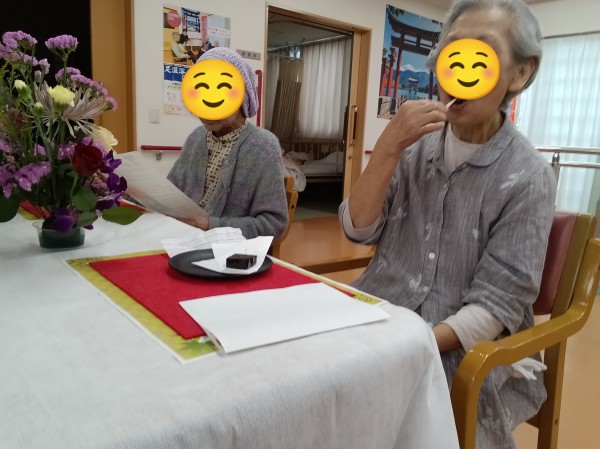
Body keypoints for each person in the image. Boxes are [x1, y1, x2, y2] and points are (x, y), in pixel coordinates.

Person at [339, 1, 555, 448]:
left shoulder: (528, 175)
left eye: (481, 56)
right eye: (452, 55)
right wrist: (387, 148)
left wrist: (405, 342)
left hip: (462, 348)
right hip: (379, 315)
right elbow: (357, 230)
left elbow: (495, 307)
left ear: (519, 74)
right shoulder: (413, 148)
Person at [168, 47, 288, 239]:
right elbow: (170, 192)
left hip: (228, 249)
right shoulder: (195, 138)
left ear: (242, 97)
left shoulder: (264, 147)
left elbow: (274, 224)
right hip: (182, 237)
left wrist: (210, 225)